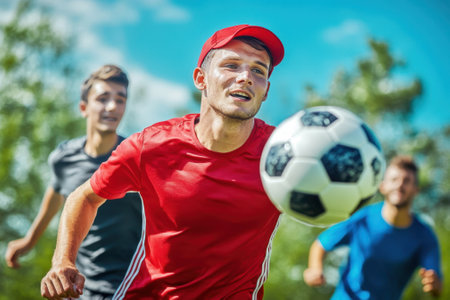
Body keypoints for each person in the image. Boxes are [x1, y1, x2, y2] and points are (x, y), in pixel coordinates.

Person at [40, 24, 284, 299]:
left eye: (258, 70)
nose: (246, 77)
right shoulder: (151, 146)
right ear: (200, 79)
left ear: (265, 90)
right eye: (231, 65)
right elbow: (84, 197)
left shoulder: (282, 155)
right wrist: (63, 261)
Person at [6, 65, 142, 299]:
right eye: (102, 98)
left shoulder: (136, 158)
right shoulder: (64, 158)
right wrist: (29, 241)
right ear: (83, 108)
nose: (112, 107)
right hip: (79, 283)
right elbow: (55, 197)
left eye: (120, 100)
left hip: (127, 282)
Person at [303, 155, 442, 300]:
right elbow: (321, 243)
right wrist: (314, 269)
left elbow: (436, 282)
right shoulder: (363, 218)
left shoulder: (424, 236)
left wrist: (434, 285)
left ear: (416, 190)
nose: (400, 185)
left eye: (407, 181)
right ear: (382, 186)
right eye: (394, 179)